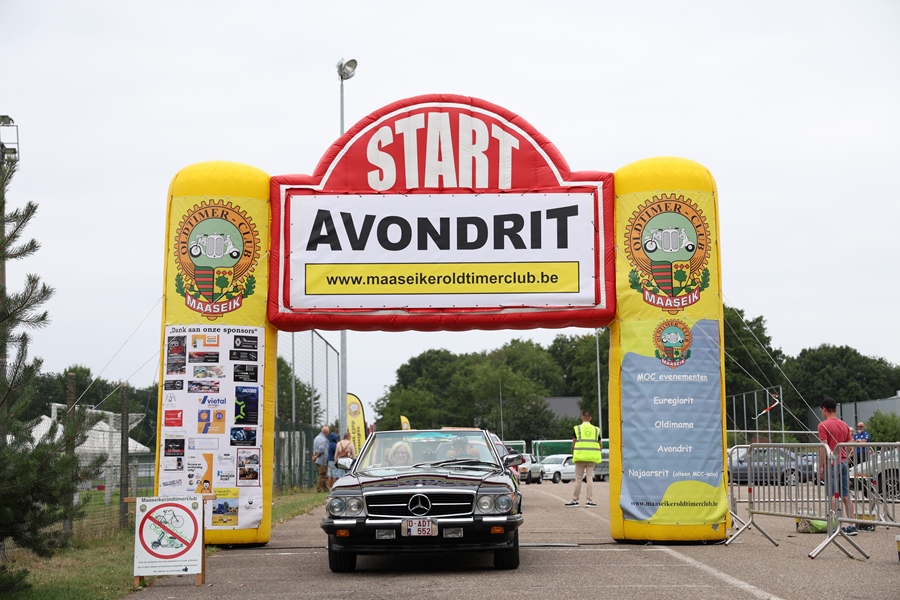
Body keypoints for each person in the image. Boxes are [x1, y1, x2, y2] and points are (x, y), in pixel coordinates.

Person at [816, 398, 856, 535]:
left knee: (833, 494)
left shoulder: (823, 425)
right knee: (845, 494)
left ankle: (836, 524)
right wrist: (847, 457)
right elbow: (850, 444)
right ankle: (851, 524)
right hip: (843, 462)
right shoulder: (844, 425)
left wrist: (821, 466)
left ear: (824, 409)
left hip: (831, 463)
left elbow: (824, 447)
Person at [566, 410, 602, 507]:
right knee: (589, 478)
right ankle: (589, 500)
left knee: (578, 479)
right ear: (591, 418)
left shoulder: (577, 428)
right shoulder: (596, 429)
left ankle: (575, 500)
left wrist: (573, 452)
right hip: (591, 458)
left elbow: (574, 442)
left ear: (581, 417)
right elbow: (600, 445)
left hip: (580, 457)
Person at [312, 426, 330, 492]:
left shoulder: (316, 438)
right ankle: (319, 488)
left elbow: (314, 448)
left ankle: (325, 488)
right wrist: (317, 456)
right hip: (322, 459)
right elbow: (321, 449)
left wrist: (314, 455)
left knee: (323, 474)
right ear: (326, 432)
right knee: (322, 474)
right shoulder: (322, 439)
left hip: (318, 459)